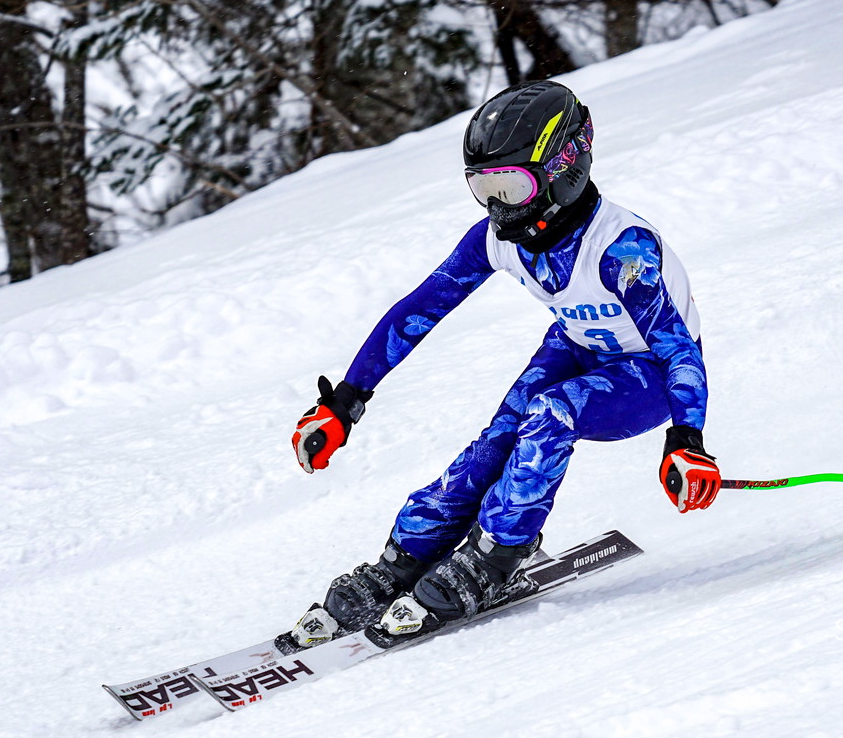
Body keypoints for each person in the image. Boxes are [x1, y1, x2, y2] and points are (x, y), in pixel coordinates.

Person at [289, 80, 720, 645]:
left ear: (565, 167)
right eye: (483, 187)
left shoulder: (622, 249)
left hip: (650, 372)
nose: (498, 207)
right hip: (577, 344)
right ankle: (409, 552)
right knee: (501, 434)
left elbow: (677, 350)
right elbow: (420, 308)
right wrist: (345, 401)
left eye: (512, 186)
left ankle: (500, 552)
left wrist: (686, 440)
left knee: (551, 412)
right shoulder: (498, 238)